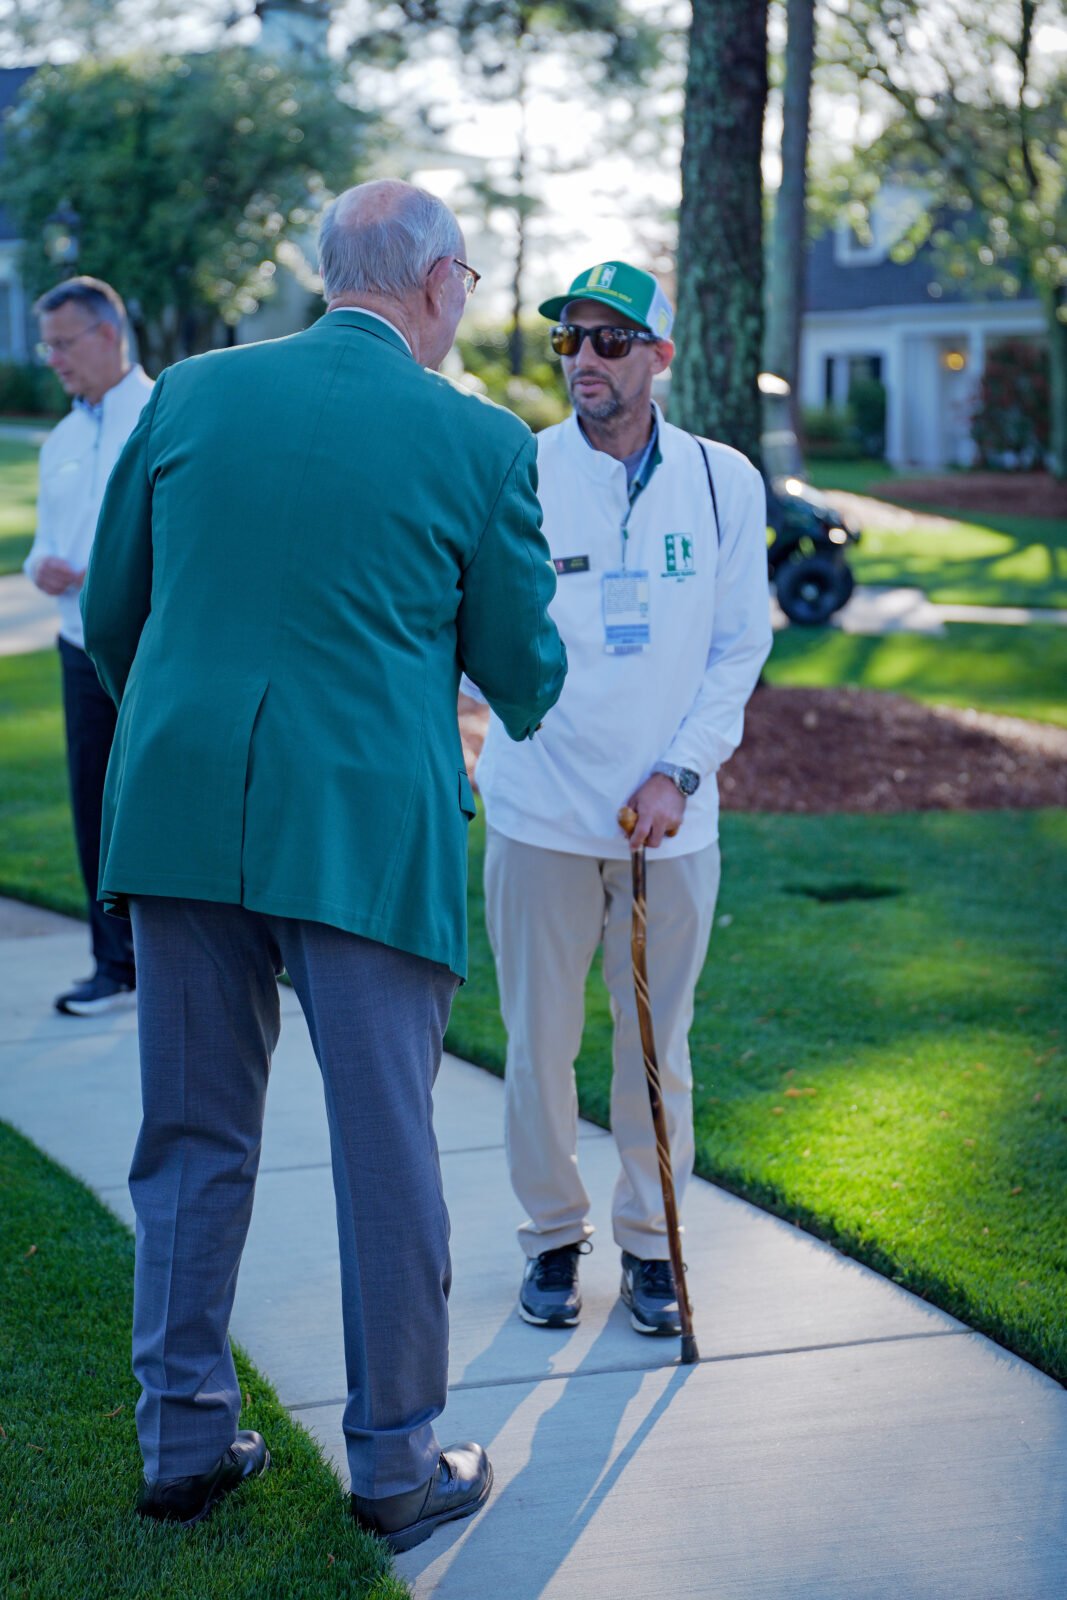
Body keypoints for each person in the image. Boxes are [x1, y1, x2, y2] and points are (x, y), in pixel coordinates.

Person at [81, 179, 566, 1549]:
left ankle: (181, 1442)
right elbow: (524, 672)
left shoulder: (190, 392)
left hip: (180, 814)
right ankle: (396, 1465)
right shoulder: (478, 439)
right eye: (467, 283)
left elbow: (112, 615)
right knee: (385, 1149)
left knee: (188, 1136)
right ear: (438, 281)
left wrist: (183, 728)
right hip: (359, 824)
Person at [474, 261, 772, 1336]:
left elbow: (739, 646)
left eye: (609, 339)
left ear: (659, 355)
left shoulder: (720, 479)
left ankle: (651, 1245)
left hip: (671, 824)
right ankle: (552, 1238)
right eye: (570, 340)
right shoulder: (517, 469)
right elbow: (480, 640)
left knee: (656, 1049)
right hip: (539, 815)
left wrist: (676, 772)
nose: (584, 360)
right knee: (537, 1045)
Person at [24, 277, 153, 1016]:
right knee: (92, 805)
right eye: (47, 348)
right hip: (79, 649)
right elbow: (46, 541)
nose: (54, 361)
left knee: (160, 805)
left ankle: (182, 962)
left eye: (63, 344)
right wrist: (39, 565)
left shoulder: (163, 415)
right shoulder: (63, 439)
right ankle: (115, 965)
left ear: (108, 334)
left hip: (151, 652)